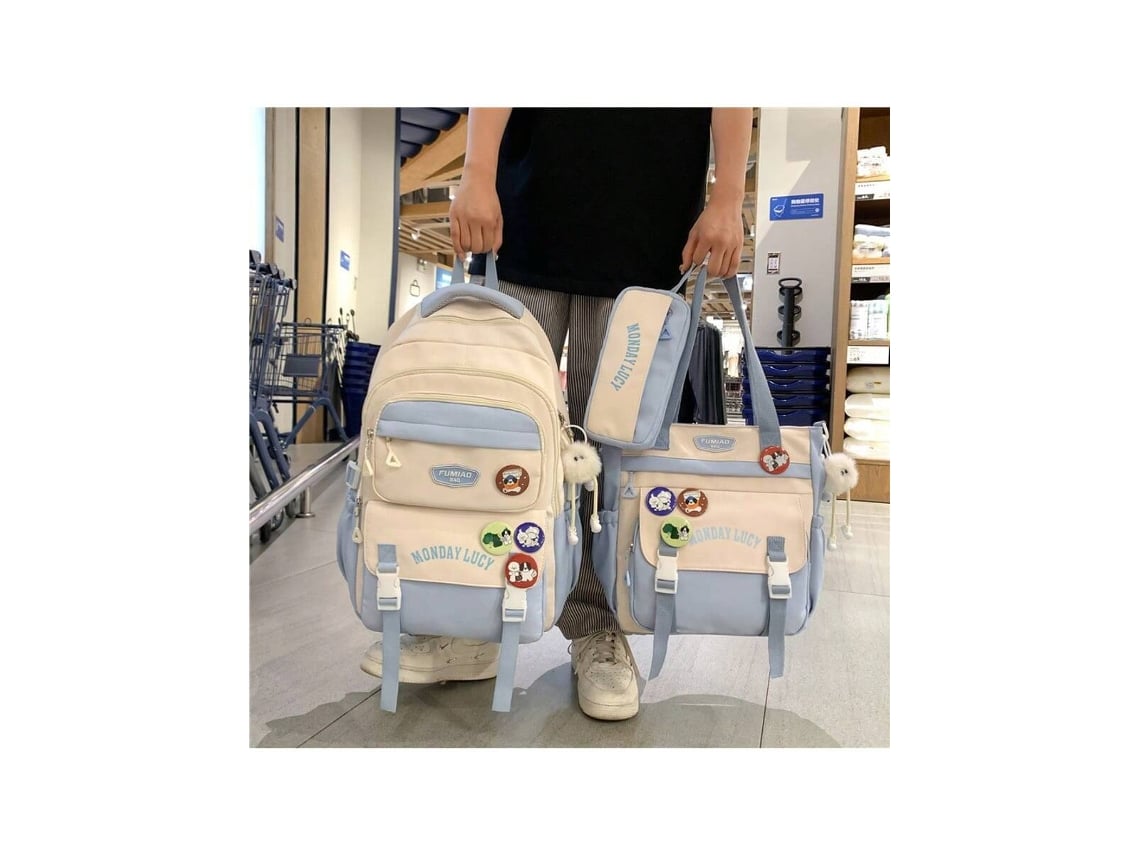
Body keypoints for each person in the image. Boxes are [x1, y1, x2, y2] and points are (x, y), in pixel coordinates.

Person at [361, 107, 752, 720]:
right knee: (496, 432)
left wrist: (727, 196)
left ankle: (599, 627)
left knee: (613, 455)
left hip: (647, 232)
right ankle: (474, 621)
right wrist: (477, 170)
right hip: (527, 216)